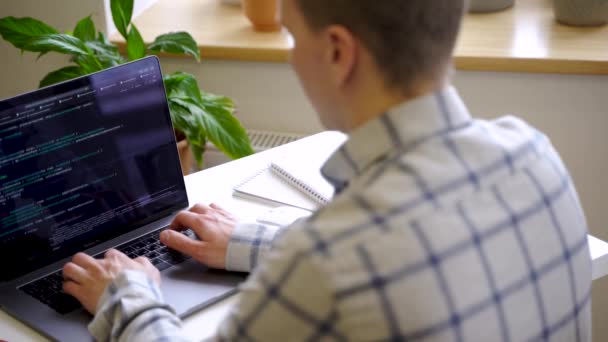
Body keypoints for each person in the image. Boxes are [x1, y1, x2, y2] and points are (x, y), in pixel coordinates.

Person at [61, 0, 593, 340]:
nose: (293, 59)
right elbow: (408, 249)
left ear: (339, 52)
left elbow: (346, 263)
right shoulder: (537, 159)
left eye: (294, 35)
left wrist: (125, 298)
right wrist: (251, 241)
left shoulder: (326, 263)